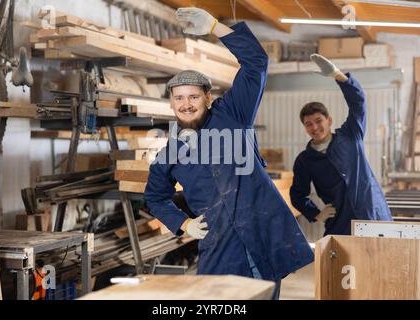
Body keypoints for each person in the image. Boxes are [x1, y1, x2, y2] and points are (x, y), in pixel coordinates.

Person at [144, 7, 314, 299]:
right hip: (220, 248)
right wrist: (184, 223)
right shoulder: (170, 153)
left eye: (193, 96)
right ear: (171, 103)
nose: (186, 104)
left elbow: (256, 62)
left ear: (208, 98)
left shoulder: (233, 113)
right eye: (179, 98)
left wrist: (215, 26)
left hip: (263, 236)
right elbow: (154, 197)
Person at [290, 54, 393, 236]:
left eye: (318, 120)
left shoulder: (350, 135)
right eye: (308, 124)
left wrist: (338, 75)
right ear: (305, 128)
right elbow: (297, 195)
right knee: (342, 263)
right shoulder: (305, 161)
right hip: (340, 223)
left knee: (379, 261)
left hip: (372, 214)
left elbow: (358, 103)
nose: (315, 127)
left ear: (329, 120)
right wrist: (317, 214)